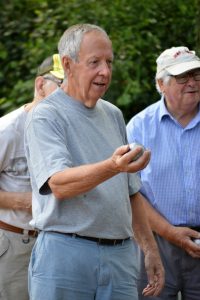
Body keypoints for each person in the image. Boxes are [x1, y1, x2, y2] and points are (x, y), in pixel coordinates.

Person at [25, 24, 164, 300]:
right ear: (68, 64)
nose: (105, 71)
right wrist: (113, 166)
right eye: (95, 62)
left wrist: (149, 250)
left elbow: (131, 192)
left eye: (109, 62)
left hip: (121, 257)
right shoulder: (45, 116)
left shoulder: (113, 114)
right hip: (65, 254)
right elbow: (60, 184)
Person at [126, 46, 200, 300]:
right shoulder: (139, 127)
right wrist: (171, 232)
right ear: (161, 84)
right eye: (182, 77)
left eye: (196, 75)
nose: (192, 83)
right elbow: (130, 191)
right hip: (156, 243)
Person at [0, 53, 64, 300]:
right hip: (15, 241)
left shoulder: (66, 128)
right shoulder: (8, 129)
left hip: (57, 244)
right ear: (40, 85)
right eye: (61, 85)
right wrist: (26, 202)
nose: (68, 94)